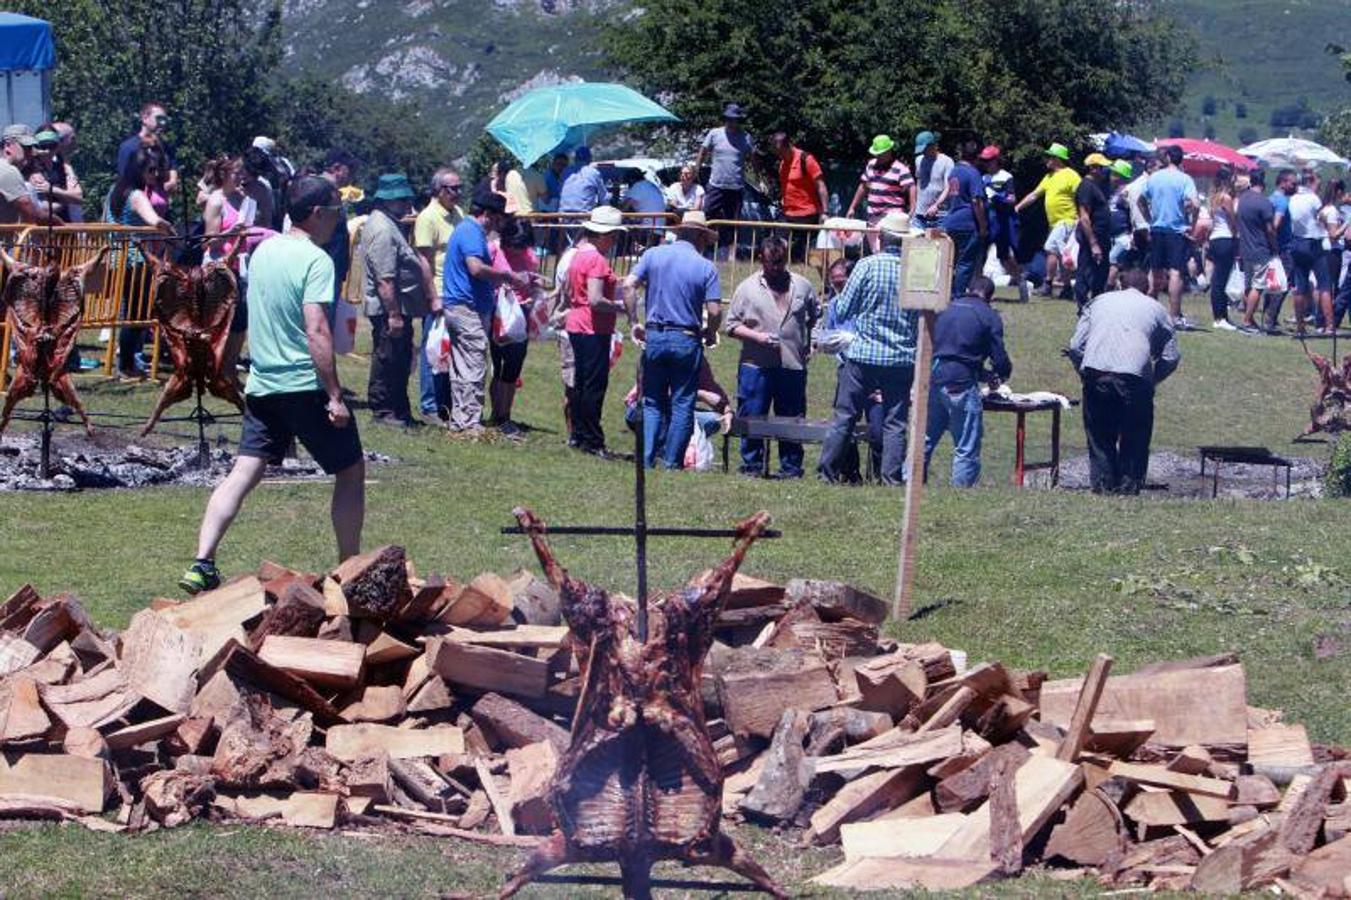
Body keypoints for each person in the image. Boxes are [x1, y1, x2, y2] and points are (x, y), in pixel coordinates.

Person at [178, 176, 363, 594]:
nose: (338, 220)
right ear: (317, 214)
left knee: (244, 470)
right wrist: (334, 394)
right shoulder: (316, 260)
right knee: (351, 470)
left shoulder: (262, 252)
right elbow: (316, 329)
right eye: (335, 212)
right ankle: (350, 568)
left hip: (263, 384)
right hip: (302, 384)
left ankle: (201, 561)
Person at [818, 210, 919, 486]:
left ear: (883, 238)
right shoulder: (914, 269)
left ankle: (827, 473)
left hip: (864, 353)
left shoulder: (866, 266)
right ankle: (890, 478)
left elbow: (845, 307)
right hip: (901, 356)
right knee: (895, 422)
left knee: (845, 415)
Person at [1067, 268, 1180, 495]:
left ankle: (1103, 485)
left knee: (1099, 435)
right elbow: (1171, 356)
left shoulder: (1098, 302)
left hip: (1097, 375)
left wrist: (1083, 372)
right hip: (1134, 378)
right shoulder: (1156, 309)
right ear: (1147, 289)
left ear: (1119, 284)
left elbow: (1075, 346)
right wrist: (1153, 380)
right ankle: (1129, 487)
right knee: (1136, 433)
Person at [624, 210, 723, 469]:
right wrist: (711, 332)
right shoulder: (705, 267)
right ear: (701, 237)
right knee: (682, 403)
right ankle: (671, 462)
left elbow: (628, 285)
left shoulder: (653, 255)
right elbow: (715, 310)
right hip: (686, 338)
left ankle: (646, 460)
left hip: (655, 335)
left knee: (653, 401)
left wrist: (634, 321)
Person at [724, 236, 820, 478]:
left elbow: (816, 318)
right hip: (756, 366)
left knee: (792, 418)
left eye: (780, 262)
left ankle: (790, 468)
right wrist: (758, 337)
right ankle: (752, 466)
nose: (776, 268)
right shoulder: (746, 288)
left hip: (792, 365)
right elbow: (731, 325)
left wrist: (814, 342)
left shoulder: (802, 286)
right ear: (761, 260)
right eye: (771, 263)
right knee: (752, 415)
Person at [441, 187, 530, 434]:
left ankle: (461, 418)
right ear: (489, 214)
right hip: (466, 307)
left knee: (462, 365)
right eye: (500, 217)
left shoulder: (467, 231)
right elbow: (476, 268)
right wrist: (507, 276)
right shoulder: (471, 233)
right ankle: (470, 422)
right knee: (474, 364)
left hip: (462, 306)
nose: (502, 223)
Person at [360, 173, 436, 427]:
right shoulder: (382, 229)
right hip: (388, 309)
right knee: (387, 359)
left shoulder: (389, 224)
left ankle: (399, 411)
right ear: (388, 200)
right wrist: (393, 315)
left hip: (398, 307)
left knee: (400, 358)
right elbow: (385, 279)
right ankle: (383, 411)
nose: (407, 205)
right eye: (402, 199)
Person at [923, 275, 1011, 486]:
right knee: (966, 445)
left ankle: (909, 480)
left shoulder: (945, 309)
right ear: (990, 297)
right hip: (961, 384)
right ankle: (960, 492)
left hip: (935, 378)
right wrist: (1000, 374)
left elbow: (951, 352)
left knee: (925, 439)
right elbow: (999, 358)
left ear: (968, 289)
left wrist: (983, 374)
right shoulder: (988, 316)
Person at [563, 206, 629, 456]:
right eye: (614, 235)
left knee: (580, 383)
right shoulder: (596, 260)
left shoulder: (578, 254)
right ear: (604, 234)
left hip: (577, 324)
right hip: (593, 327)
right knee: (594, 386)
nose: (615, 241)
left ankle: (579, 434)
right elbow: (595, 299)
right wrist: (619, 306)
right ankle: (592, 439)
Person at [108, 148, 174, 378]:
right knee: (137, 315)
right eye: (151, 169)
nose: (155, 174)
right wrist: (170, 231)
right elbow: (154, 220)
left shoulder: (114, 191)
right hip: (136, 260)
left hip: (117, 258)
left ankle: (124, 363)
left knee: (131, 312)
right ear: (138, 170)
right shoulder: (136, 195)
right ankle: (126, 365)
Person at [413, 167, 465, 420]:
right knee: (432, 349)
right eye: (452, 188)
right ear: (438, 190)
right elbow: (424, 260)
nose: (457, 193)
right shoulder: (428, 217)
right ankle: (430, 405)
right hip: (439, 291)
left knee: (449, 349)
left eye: (459, 188)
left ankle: (447, 402)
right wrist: (432, 296)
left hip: (457, 292)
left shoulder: (458, 214)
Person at [488, 217, 541, 434]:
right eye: (513, 246)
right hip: (498, 311)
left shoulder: (530, 256)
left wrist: (534, 284)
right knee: (497, 364)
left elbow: (532, 280)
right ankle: (496, 413)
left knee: (513, 366)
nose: (516, 251)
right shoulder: (493, 250)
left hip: (521, 311)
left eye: (520, 246)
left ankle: (505, 414)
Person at [1139, 145, 1198, 329]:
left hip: (1157, 229)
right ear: (1181, 160)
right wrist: (1192, 225)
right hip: (1176, 230)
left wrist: (1149, 218)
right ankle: (1173, 316)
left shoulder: (1155, 177)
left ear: (1168, 158)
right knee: (1175, 272)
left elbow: (1140, 200)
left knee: (1155, 270)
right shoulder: (1185, 179)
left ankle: (1148, 311)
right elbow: (1195, 204)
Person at [1015, 143, 1081, 299]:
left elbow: (1081, 196)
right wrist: (1017, 207)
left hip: (1067, 220)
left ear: (1057, 159)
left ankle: (1048, 284)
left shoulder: (1071, 175)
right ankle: (1066, 288)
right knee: (1059, 254)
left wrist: (1081, 215)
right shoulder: (1049, 177)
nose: (1046, 159)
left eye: (1049, 156)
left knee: (1050, 248)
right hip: (1055, 223)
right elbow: (1034, 195)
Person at [694, 103, 754, 255]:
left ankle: (729, 255)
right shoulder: (714, 133)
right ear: (725, 119)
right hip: (716, 185)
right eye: (729, 119)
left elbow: (752, 159)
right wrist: (697, 168)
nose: (731, 122)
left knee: (732, 222)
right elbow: (703, 150)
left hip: (736, 187)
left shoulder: (746, 137)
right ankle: (701, 249)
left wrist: (759, 178)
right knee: (707, 216)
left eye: (734, 119)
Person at [846, 135, 916, 252]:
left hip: (891, 217)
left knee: (886, 250)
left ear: (888, 151)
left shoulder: (900, 168)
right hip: (873, 216)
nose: (878, 156)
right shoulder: (871, 165)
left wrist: (913, 207)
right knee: (875, 250)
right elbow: (863, 186)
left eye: (880, 153)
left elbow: (911, 186)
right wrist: (852, 207)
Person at [978, 145, 1028, 302]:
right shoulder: (983, 178)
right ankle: (977, 291)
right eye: (984, 161)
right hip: (988, 220)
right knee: (980, 255)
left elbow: (1012, 199)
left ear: (996, 160)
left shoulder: (1006, 177)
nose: (986, 164)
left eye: (989, 161)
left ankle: (1021, 282)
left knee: (1004, 257)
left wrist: (999, 197)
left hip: (1003, 221)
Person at [1288, 169, 1334, 335]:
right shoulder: (1313, 198)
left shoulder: (1292, 199)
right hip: (1314, 243)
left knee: (1300, 286)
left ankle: (1300, 325)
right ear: (1310, 182)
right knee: (1324, 285)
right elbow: (1322, 216)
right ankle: (1329, 325)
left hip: (1298, 242)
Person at [1237, 169, 1281, 334]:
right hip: (1260, 248)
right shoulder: (1264, 202)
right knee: (1258, 286)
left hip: (1245, 247)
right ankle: (1247, 321)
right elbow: (1270, 230)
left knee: (1248, 285)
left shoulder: (1243, 199)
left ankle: (1250, 318)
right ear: (1263, 183)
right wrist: (1275, 247)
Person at [944, 141, 988, 296]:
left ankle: (945, 294)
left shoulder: (954, 172)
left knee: (951, 262)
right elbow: (977, 201)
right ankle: (958, 296)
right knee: (965, 263)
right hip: (968, 223)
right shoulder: (973, 173)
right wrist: (983, 226)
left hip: (951, 221)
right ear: (976, 157)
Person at [1073, 153, 1114, 312]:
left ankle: (1097, 302)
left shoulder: (1098, 186)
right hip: (1093, 235)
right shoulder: (1086, 186)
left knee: (1101, 271)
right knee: (1085, 270)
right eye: (1102, 167)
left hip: (1102, 235)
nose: (1105, 170)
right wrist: (1093, 243)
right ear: (1094, 169)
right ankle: (1082, 305)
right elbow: (1084, 217)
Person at [773, 131, 828, 243]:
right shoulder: (782, 164)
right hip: (787, 214)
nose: (780, 156)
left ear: (789, 146)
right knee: (779, 248)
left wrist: (825, 212)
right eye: (778, 153)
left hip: (807, 215)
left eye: (782, 152)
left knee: (801, 254)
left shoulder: (806, 159)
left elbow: (821, 186)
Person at [1, 125, 61, 224]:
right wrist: (60, 225)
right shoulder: (8, 171)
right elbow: (30, 211)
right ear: (8, 145)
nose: (31, 153)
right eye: (26, 147)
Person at [117, 101, 179, 194]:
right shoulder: (129, 147)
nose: (163, 123)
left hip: (161, 204)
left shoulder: (166, 147)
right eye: (159, 118)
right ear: (145, 118)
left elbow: (172, 167)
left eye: (165, 119)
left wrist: (173, 181)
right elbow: (124, 180)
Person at [1205, 166, 1238, 331]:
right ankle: (1219, 317)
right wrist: (1236, 236)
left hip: (1215, 239)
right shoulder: (1226, 198)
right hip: (1226, 238)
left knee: (1218, 279)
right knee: (1221, 280)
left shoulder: (1213, 198)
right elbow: (1233, 220)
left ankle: (1222, 315)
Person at [912, 131, 953, 230]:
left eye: (925, 149)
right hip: (919, 215)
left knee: (939, 245)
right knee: (916, 244)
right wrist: (914, 206)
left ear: (933, 146)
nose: (923, 152)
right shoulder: (919, 160)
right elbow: (918, 183)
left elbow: (948, 187)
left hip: (940, 216)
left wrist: (936, 205)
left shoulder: (947, 162)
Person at [558, 146, 608, 215]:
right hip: (583, 216)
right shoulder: (593, 173)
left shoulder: (566, 171)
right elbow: (604, 198)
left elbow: (560, 192)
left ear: (575, 159)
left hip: (563, 215)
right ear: (590, 159)